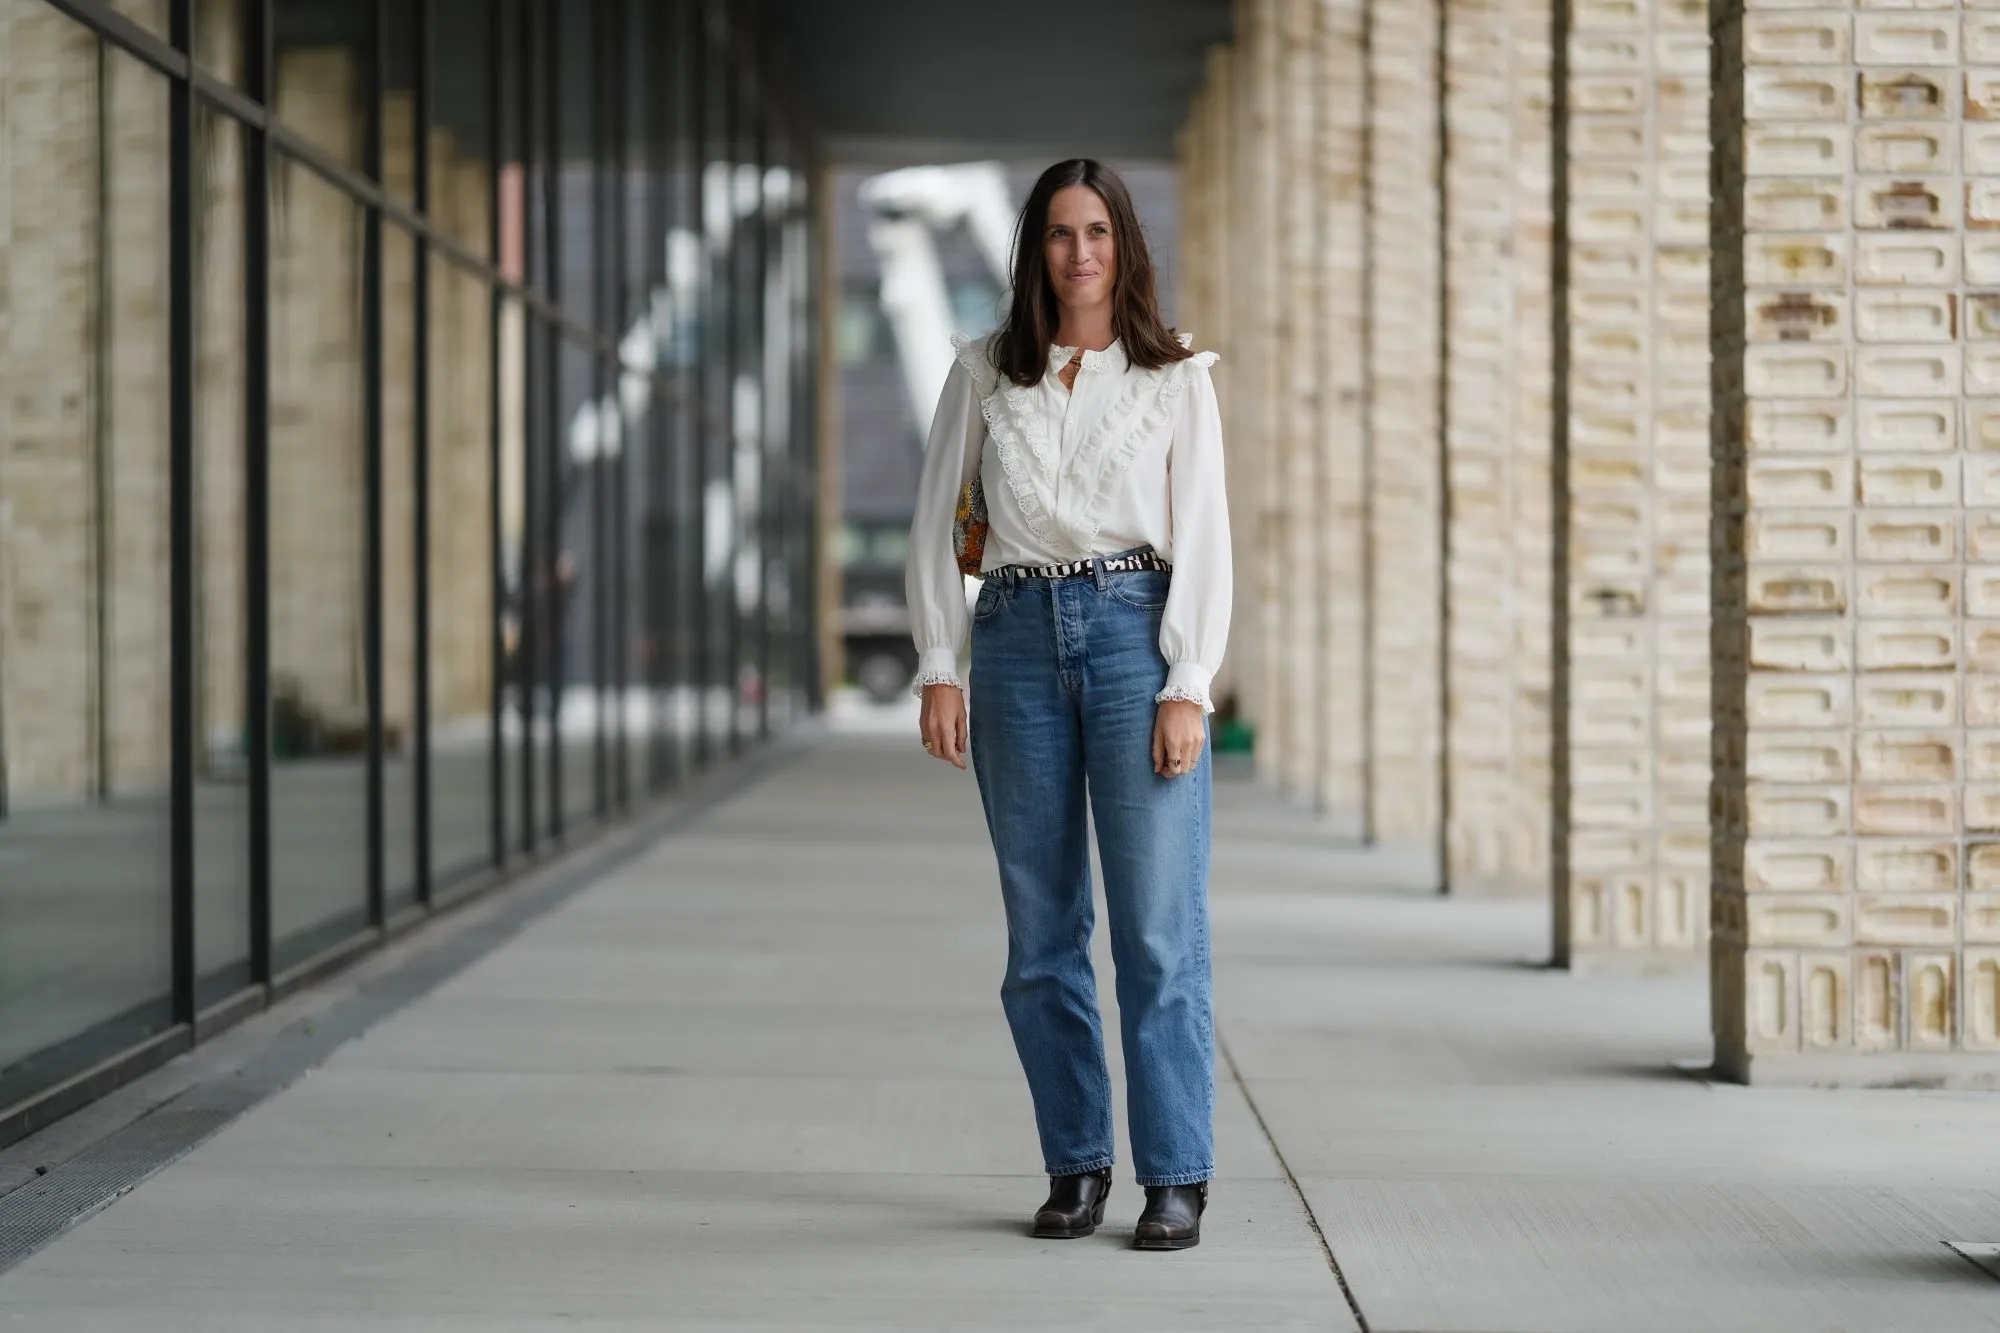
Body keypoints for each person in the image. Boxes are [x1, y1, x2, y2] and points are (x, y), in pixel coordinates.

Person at [905, 159, 1232, 1251]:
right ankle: (1076, 1164)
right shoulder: (985, 371)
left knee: (1152, 931)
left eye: (1096, 230)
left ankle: (1173, 1174)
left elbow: (1207, 537)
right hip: (1011, 640)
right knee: (1041, 934)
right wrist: (938, 664)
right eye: (1056, 232)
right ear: (1033, 250)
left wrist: (1188, 682)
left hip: (1137, 639)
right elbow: (935, 521)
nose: (1078, 251)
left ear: (1122, 244)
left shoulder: (1174, 376)